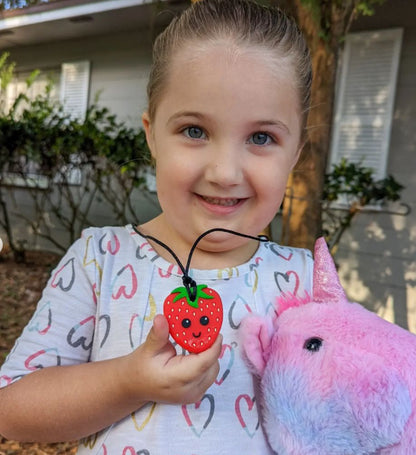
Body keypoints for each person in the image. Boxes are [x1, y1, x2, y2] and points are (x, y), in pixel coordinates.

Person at [0, 0, 314, 453]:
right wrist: (128, 382)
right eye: (194, 131)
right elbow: (12, 407)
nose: (225, 171)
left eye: (261, 137)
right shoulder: (100, 260)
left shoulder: (305, 282)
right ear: (151, 135)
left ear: (296, 154)